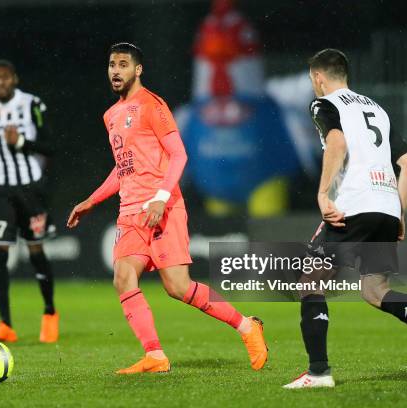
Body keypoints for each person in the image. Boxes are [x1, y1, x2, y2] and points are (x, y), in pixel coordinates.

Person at [67, 42, 267, 374]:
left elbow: (179, 154)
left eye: (123, 65)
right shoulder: (111, 115)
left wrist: (160, 197)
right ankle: (155, 356)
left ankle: (246, 326)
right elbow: (123, 167)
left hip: (163, 207)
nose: (116, 71)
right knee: (123, 276)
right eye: (111, 65)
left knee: (178, 287)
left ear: (137, 69)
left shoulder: (152, 105)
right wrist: (92, 199)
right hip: (130, 211)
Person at [283, 49, 407, 388]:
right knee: (376, 290)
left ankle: (318, 372)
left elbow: (336, 142)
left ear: (318, 78)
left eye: (312, 80)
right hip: (386, 208)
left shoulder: (324, 104)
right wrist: (399, 211)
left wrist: (322, 195)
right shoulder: (376, 108)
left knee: (310, 283)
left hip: (353, 205)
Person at [0, 59, 58, 343]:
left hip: (30, 189)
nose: (0, 83)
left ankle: (49, 313)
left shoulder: (32, 105)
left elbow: (51, 145)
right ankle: (5, 324)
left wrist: (21, 144)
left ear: (14, 79)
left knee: (36, 252)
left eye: (5, 78)